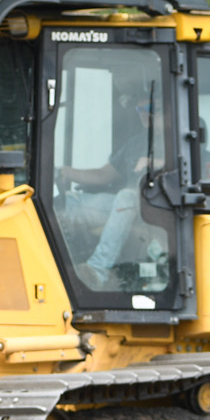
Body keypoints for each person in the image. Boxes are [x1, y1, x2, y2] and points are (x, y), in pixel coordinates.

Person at [62, 96, 160, 290]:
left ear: (164, 112)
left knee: (126, 196)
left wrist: (153, 163)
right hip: (124, 208)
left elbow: (188, 169)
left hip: (154, 209)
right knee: (68, 202)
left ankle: (97, 270)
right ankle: (62, 267)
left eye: (148, 108)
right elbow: (104, 174)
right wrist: (64, 171)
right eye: (139, 110)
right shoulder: (134, 144)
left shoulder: (176, 140)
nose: (143, 114)